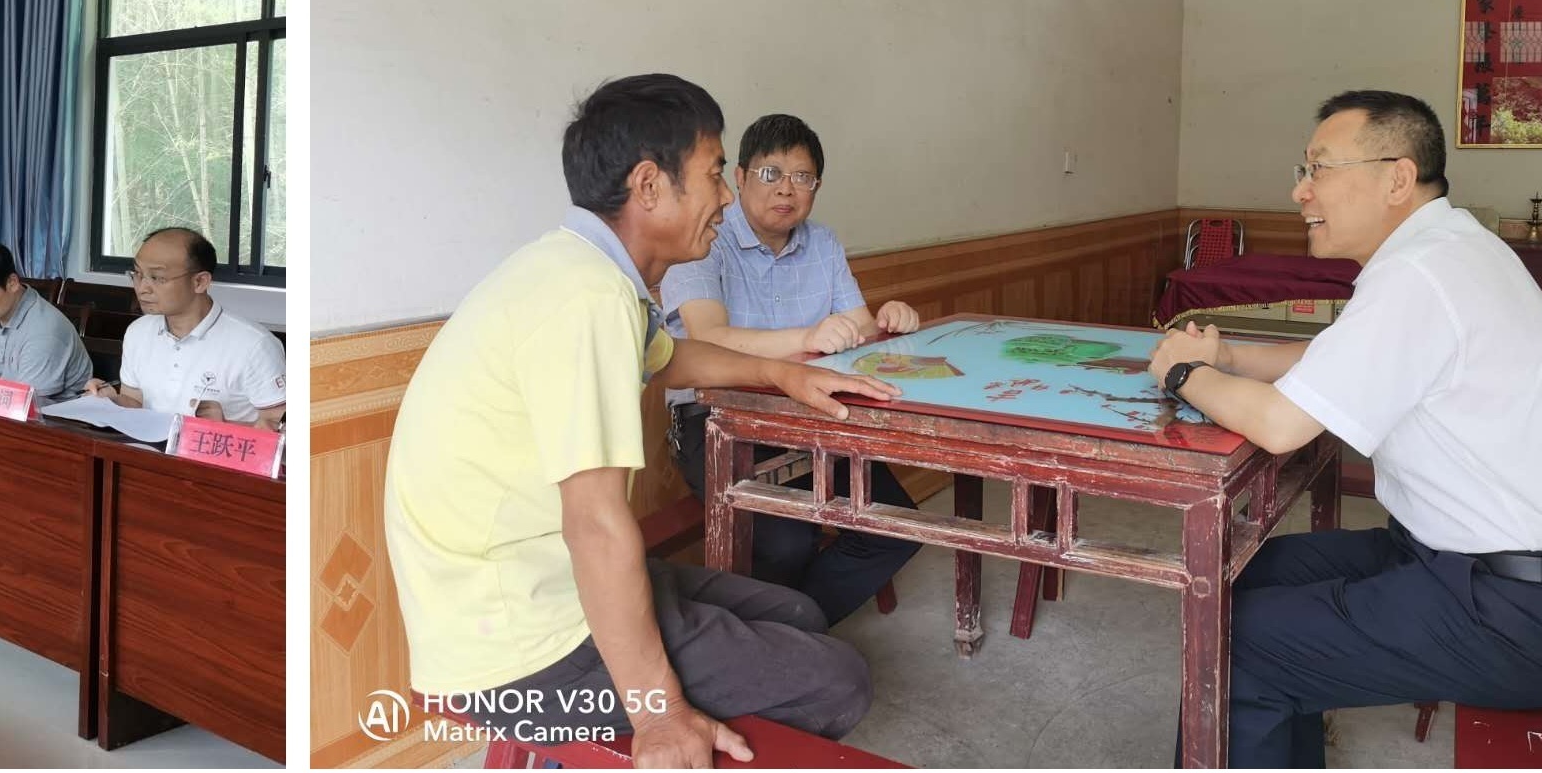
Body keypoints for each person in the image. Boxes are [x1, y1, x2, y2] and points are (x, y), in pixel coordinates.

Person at [384, 74, 899, 767]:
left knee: (799, 613)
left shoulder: (586, 274)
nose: (726, 197)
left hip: (541, 581)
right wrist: (658, 712)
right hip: (519, 642)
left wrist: (783, 373)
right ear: (650, 185)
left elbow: (670, 358)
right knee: (839, 680)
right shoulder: (587, 298)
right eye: (714, 174)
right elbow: (595, 524)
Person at [1146, 90, 1542, 767]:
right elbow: (1337, 357)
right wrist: (1229, 358)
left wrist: (1181, 373)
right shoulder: (1445, 250)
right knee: (1249, 573)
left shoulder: (1423, 273)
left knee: (1238, 639)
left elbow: (1280, 427)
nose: (1300, 191)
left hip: (1521, 614)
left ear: (1397, 178)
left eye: (1319, 168)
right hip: (1458, 560)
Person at [656, 113, 922, 622]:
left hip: (809, 415)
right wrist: (806, 337)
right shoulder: (705, 239)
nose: (786, 189)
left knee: (895, 525)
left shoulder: (822, 242)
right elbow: (708, 338)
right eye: (770, 173)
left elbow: (859, 329)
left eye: (803, 177)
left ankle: (786, 628)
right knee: (785, 542)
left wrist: (890, 321)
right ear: (739, 178)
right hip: (717, 422)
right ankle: (778, 632)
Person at [84, 227, 287, 431]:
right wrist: (109, 401)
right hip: (145, 449)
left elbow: (279, 427)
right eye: (137, 274)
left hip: (212, 452)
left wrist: (224, 427)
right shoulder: (138, 332)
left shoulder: (255, 345)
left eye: (157, 278)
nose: (142, 288)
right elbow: (135, 402)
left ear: (200, 282)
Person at [0, 238, 91, 395]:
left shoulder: (45, 330)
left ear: (12, 283)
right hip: (5, 406)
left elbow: (29, 402)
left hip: (51, 409)